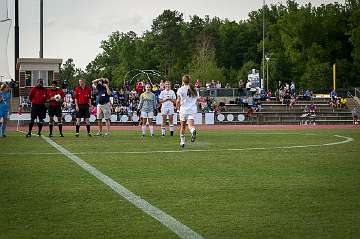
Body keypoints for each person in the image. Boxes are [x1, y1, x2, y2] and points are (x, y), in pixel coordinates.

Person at [176, 75, 198, 148]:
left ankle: (182, 142)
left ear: (182, 81)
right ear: (189, 80)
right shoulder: (194, 89)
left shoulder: (180, 89)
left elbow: (178, 100)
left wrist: (177, 108)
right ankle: (193, 131)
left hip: (184, 110)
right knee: (190, 125)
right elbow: (197, 100)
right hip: (192, 109)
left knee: (183, 127)